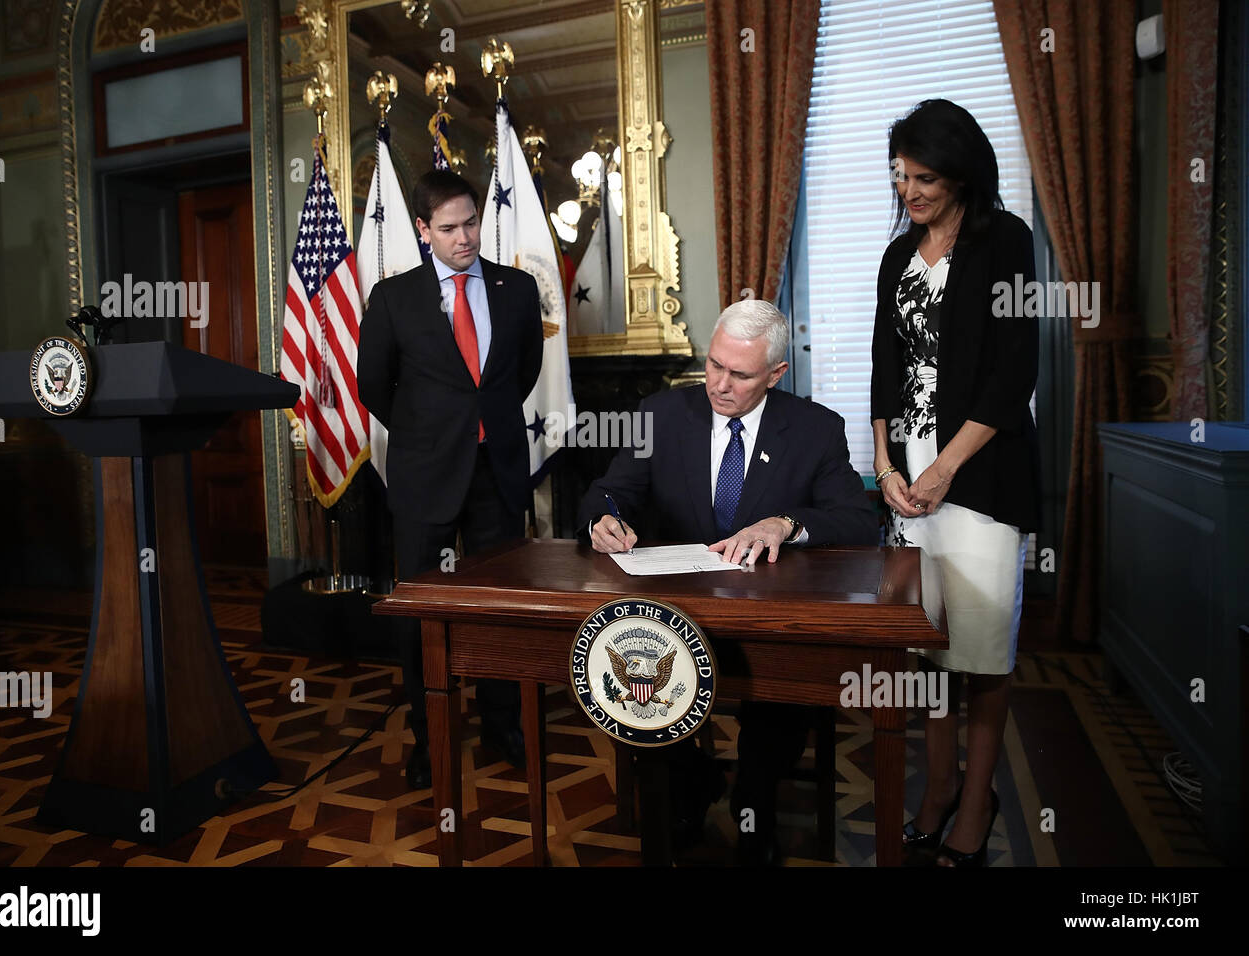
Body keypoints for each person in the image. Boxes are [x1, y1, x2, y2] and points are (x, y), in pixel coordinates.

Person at [578, 298, 879, 863]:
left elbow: (861, 524)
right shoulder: (662, 415)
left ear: (776, 374)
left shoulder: (815, 429)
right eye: (714, 365)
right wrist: (602, 519)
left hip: (772, 618)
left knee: (778, 696)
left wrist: (787, 523)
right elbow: (608, 491)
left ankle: (755, 803)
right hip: (677, 613)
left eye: (739, 374)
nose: (719, 384)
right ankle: (690, 785)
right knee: (635, 676)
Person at [870, 99, 1040, 866]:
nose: (909, 190)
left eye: (925, 176)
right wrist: (884, 465)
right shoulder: (894, 255)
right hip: (909, 481)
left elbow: (1015, 376)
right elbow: (884, 369)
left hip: (980, 473)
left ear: (962, 172)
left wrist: (943, 467)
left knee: (981, 651)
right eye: (901, 175)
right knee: (927, 649)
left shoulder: (1007, 240)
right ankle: (937, 788)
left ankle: (976, 800)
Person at [357, 169, 544, 790]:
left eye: (471, 223)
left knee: (496, 609)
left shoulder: (516, 289)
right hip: (425, 481)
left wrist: (477, 429)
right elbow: (373, 387)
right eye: (449, 228)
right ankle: (428, 736)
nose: (464, 238)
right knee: (423, 614)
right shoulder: (392, 298)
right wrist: (430, 434)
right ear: (422, 229)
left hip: (496, 478)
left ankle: (502, 726)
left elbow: (519, 375)